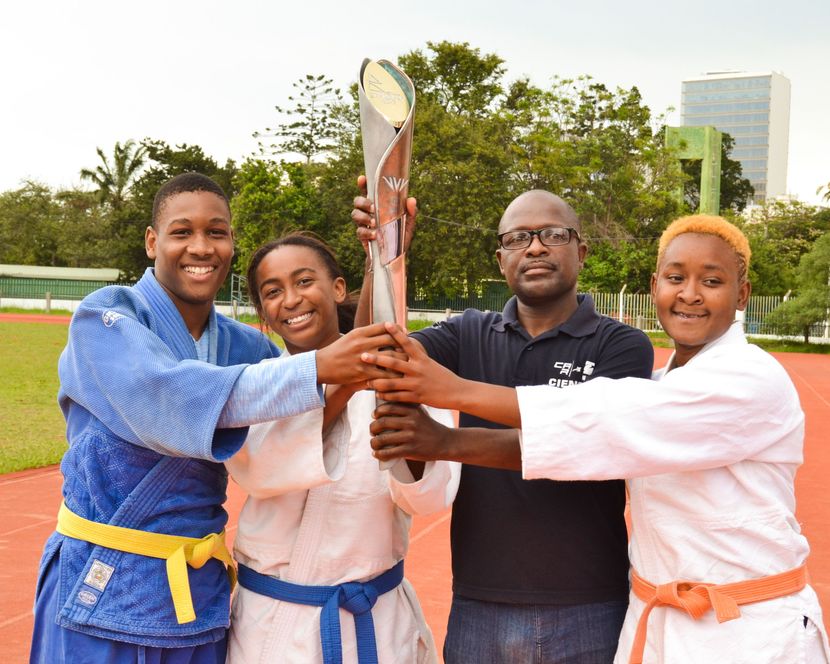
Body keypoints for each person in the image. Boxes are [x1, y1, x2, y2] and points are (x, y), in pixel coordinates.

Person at [363, 215, 830, 663]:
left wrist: (452, 401)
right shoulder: (663, 381)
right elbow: (591, 436)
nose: (690, 295)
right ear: (654, 287)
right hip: (658, 620)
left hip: (744, 628)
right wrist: (383, 260)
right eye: (675, 278)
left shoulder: (750, 379)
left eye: (711, 281)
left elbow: (605, 417)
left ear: (742, 293)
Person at [30, 173, 398, 664]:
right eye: (182, 232)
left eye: (217, 232)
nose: (200, 247)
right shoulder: (106, 318)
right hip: (104, 579)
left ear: (230, 243)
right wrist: (318, 369)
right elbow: (166, 396)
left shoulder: (245, 347)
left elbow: (326, 390)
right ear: (152, 241)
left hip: (195, 596)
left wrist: (383, 254)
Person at [353, 182, 655, 662]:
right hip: (480, 603)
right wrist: (382, 257)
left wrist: (445, 441)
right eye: (518, 238)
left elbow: (582, 441)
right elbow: (374, 353)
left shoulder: (621, 345)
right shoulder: (469, 333)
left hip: (591, 605)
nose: (534, 246)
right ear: (500, 259)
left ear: (582, 251)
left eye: (552, 234)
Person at [224, 232, 459, 664]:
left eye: (304, 281)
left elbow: (428, 497)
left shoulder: (402, 375)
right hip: (272, 630)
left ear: (336, 289)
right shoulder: (257, 383)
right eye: (273, 292)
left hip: (374, 623)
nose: (291, 300)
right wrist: (349, 381)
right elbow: (258, 469)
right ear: (263, 313)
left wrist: (383, 250)